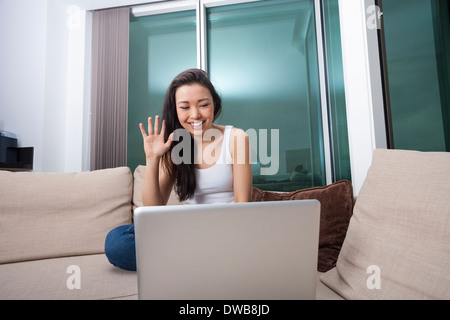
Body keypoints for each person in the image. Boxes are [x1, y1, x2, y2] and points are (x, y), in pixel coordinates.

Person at [104, 68, 252, 271]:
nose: (195, 115)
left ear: (214, 104)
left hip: (225, 231)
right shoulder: (177, 145)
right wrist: (153, 158)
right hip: (187, 231)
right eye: (185, 107)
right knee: (117, 241)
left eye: (203, 105)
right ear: (175, 110)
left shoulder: (236, 138)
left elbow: (243, 207)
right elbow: (152, 210)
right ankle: (201, 262)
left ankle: (190, 262)